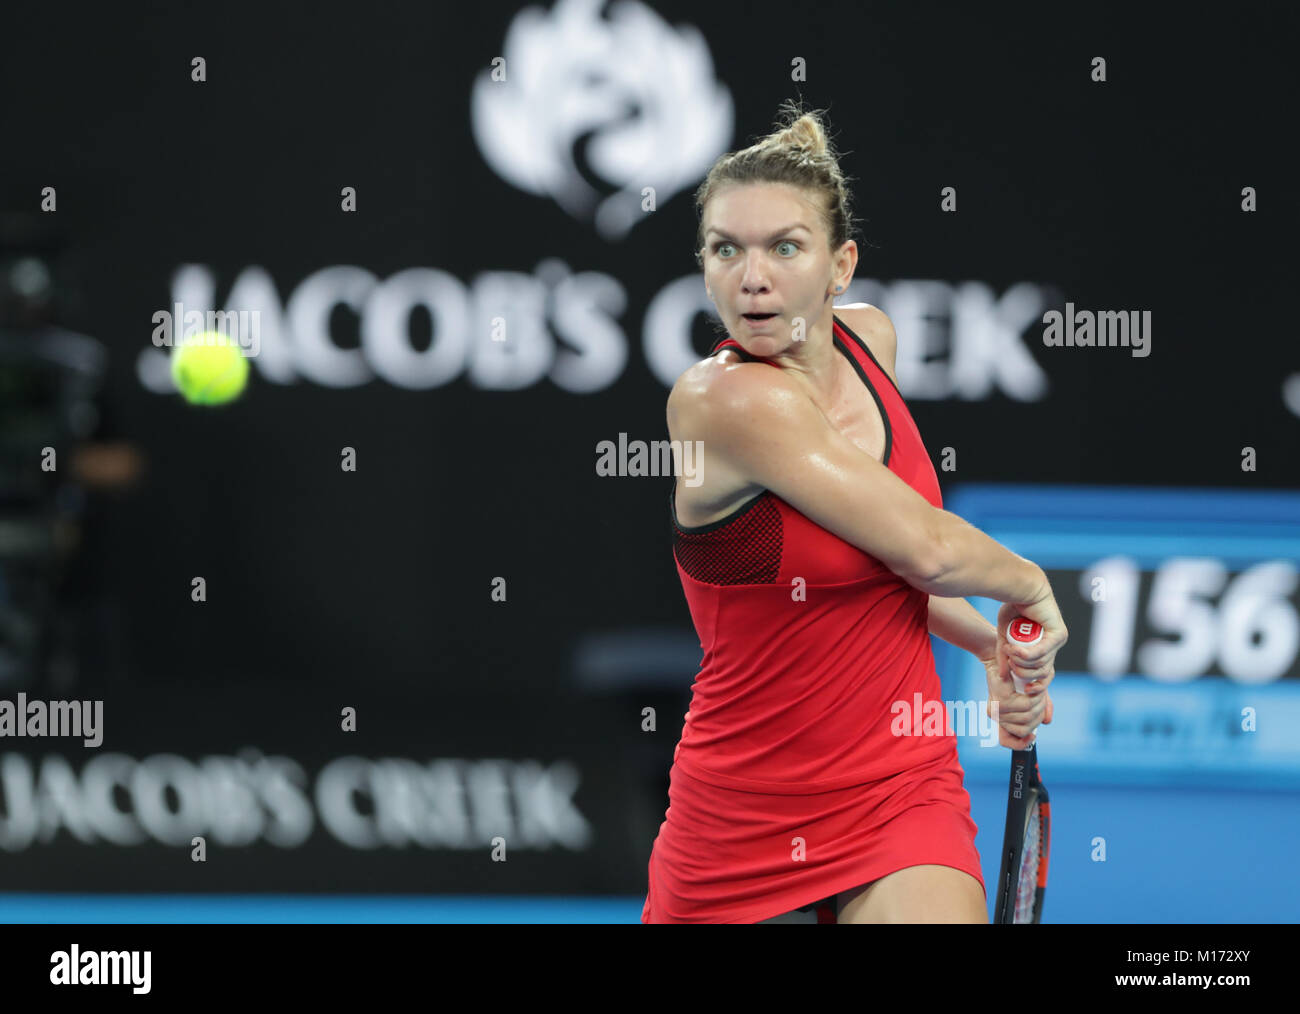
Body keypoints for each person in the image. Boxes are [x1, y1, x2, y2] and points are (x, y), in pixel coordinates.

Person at [641, 102, 1067, 924]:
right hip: (739, 812)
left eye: (784, 247)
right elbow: (928, 546)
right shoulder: (719, 402)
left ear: (841, 267)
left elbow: (884, 563)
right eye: (726, 249)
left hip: (899, 788)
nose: (752, 277)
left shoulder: (872, 342)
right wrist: (1030, 588)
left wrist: (984, 640)